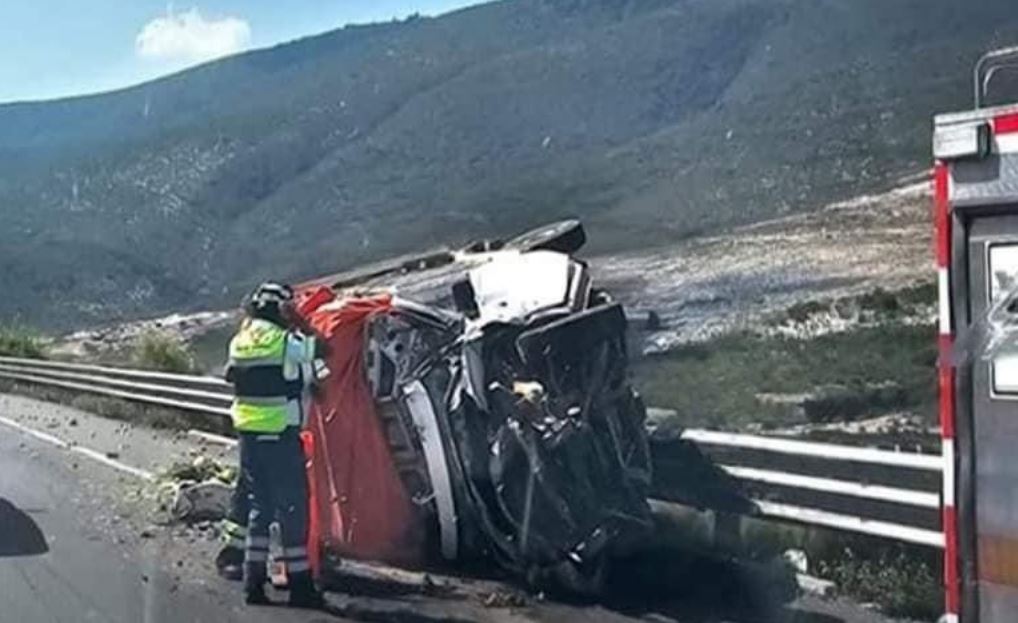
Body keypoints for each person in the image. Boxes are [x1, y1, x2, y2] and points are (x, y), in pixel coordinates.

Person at [225, 281, 325, 608]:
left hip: (249, 438)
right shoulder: (285, 342)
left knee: (259, 507)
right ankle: (300, 587)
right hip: (280, 435)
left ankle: (252, 584)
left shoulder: (239, 341)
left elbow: (233, 377)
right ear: (283, 309)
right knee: (292, 509)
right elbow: (324, 349)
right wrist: (301, 321)